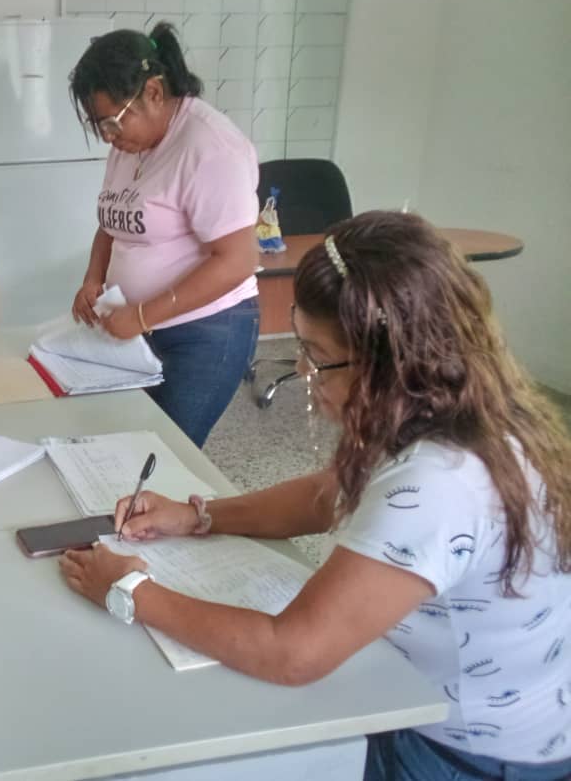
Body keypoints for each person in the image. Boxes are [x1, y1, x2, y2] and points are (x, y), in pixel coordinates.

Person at [60, 211, 571, 780]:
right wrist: (197, 516)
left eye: (317, 355)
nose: (304, 369)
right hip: (434, 702)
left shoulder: (440, 480)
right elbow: (331, 496)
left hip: (462, 753)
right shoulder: (447, 407)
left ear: (388, 361)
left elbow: (291, 653)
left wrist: (131, 589)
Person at [68, 22, 260, 446]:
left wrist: (140, 316)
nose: (108, 138)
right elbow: (111, 222)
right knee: (125, 441)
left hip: (206, 332)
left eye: (113, 123)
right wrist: (93, 279)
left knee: (166, 454)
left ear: (154, 92)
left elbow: (238, 260)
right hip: (141, 327)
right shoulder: (132, 144)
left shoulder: (209, 148)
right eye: (99, 126)